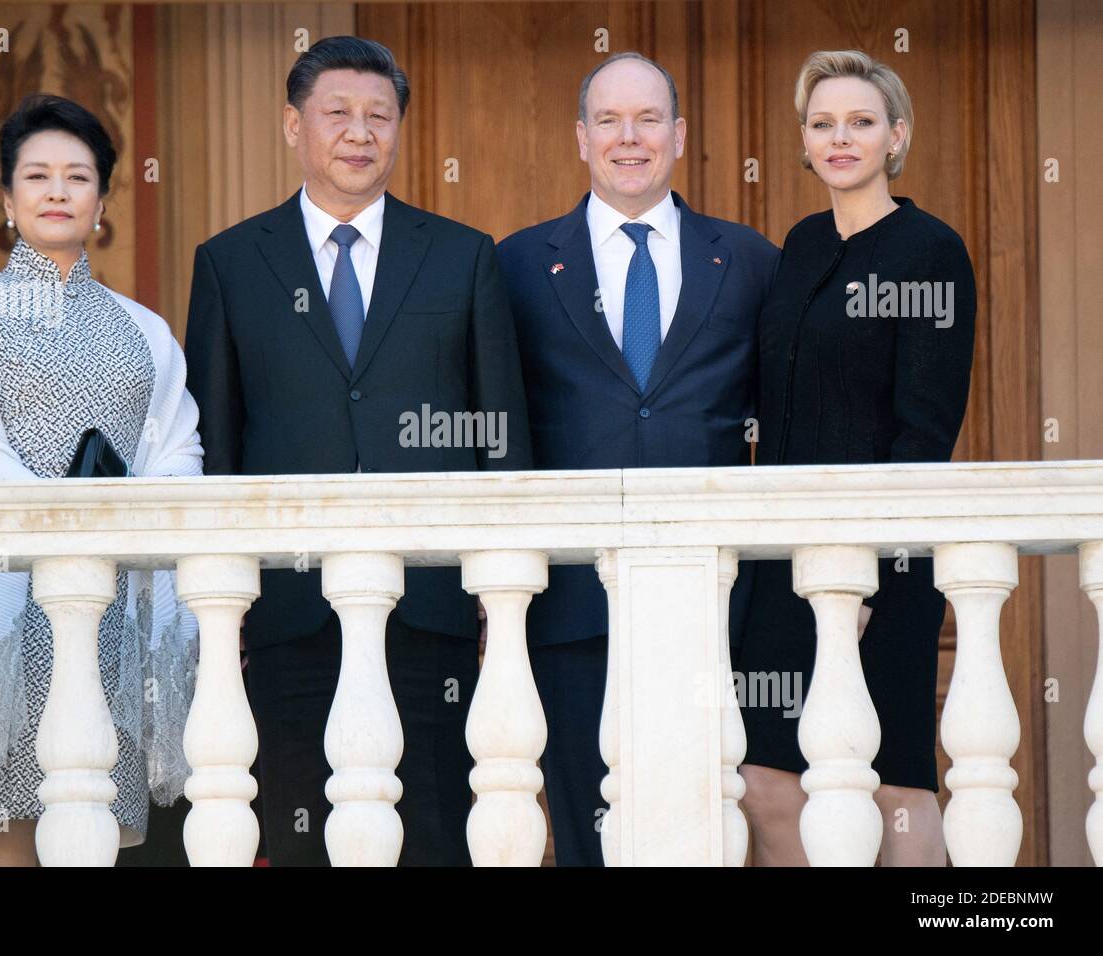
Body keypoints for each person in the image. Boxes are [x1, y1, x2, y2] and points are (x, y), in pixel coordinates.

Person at [184, 36, 531, 866]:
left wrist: (500, 588)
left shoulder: (462, 255)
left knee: (437, 830)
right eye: (336, 112)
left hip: (431, 605)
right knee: (302, 829)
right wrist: (224, 597)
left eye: (380, 115)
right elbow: (216, 447)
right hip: (288, 608)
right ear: (292, 126)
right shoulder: (231, 263)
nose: (359, 132)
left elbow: (501, 435)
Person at [496, 51, 779, 866]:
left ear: (679, 135)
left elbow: (782, 426)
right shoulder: (517, 264)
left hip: (715, 603)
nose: (629, 137)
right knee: (588, 831)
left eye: (648, 119)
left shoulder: (749, 260)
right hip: (570, 604)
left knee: (706, 829)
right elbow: (498, 431)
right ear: (581, 138)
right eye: (609, 120)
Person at [0, 93, 204, 866]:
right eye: (36, 176)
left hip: (111, 615)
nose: (56, 191)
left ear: (101, 202)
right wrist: (59, 520)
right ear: (8, 199)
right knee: (1, 836)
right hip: (2, 613)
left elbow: (179, 456)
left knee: (89, 832)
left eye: (77, 177)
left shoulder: (146, 331)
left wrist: (114, 517)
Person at [734, 50, 977, 866]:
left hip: (886, 564)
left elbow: (925, 434)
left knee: (893, 786)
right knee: (768, 779)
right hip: (783, 561)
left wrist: (871, 571)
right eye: (823, 124)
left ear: (895, 137)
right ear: (805, 141)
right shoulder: (800, 245)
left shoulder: (930, 251)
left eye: (861, 122)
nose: (840, 139)